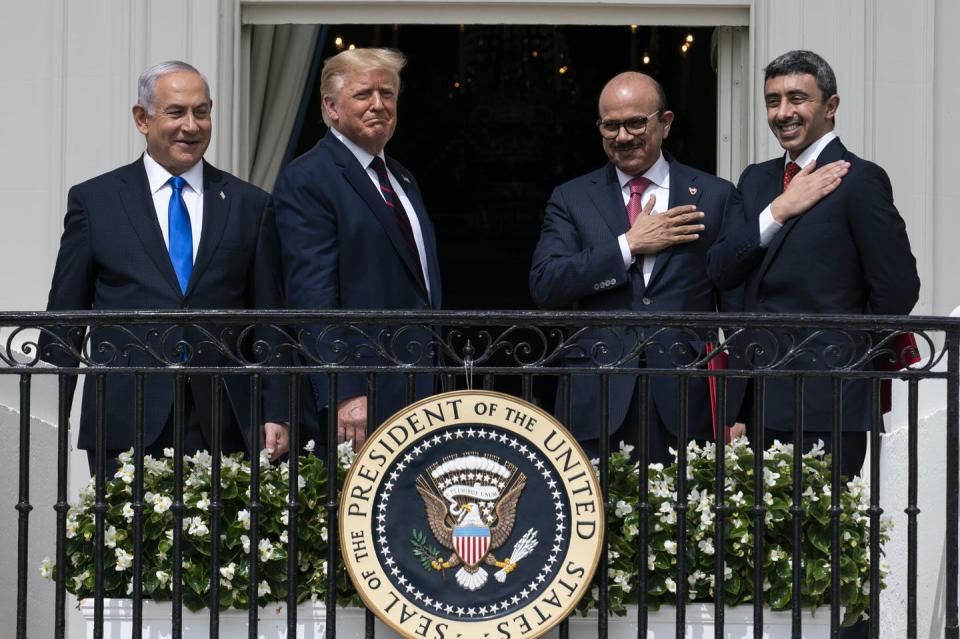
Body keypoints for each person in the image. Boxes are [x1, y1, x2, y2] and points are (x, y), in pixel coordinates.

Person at [42, 61, 296, 473]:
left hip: (223, 415)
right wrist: (51, 414)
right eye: (176, 112)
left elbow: (270, 318)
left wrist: (278, 409)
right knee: (125, 538)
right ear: (142, 118)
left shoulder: (250, 205)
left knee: (218, 537)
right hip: (126, 414)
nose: (191, 126)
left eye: (202, 111)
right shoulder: (96, 201)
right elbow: (65, 317)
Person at [706, 50, 920, 478]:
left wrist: (844, 357)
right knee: (760, 540)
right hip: (755, 399)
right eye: (772, 100)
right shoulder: (757, 180)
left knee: (823, 541)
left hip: (828, 399)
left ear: (831, 106)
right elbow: (722, 269)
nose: (783, 112)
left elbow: (897, 289)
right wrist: (779, 211)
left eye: (797, 98)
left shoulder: (859, 180)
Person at [529, 72, 744, 463]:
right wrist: (628, 245)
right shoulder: (572, 198)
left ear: (665, 123)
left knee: (685, 521)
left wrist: (738, 409)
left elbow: (739, 308)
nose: (623, 136)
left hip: (685, 397)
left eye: (635, 123)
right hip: (597, 397)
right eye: (610, 125)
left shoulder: (714, 196)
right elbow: (546, 284)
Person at [274, 48, 442, 449]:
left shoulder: (401, 177)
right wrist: (343, 390)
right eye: (364, 94)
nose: (379, 105)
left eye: (388, 94)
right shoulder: (309, 178)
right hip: (361, 397)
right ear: (331, 107)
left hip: (416, 386)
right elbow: (312, 299)